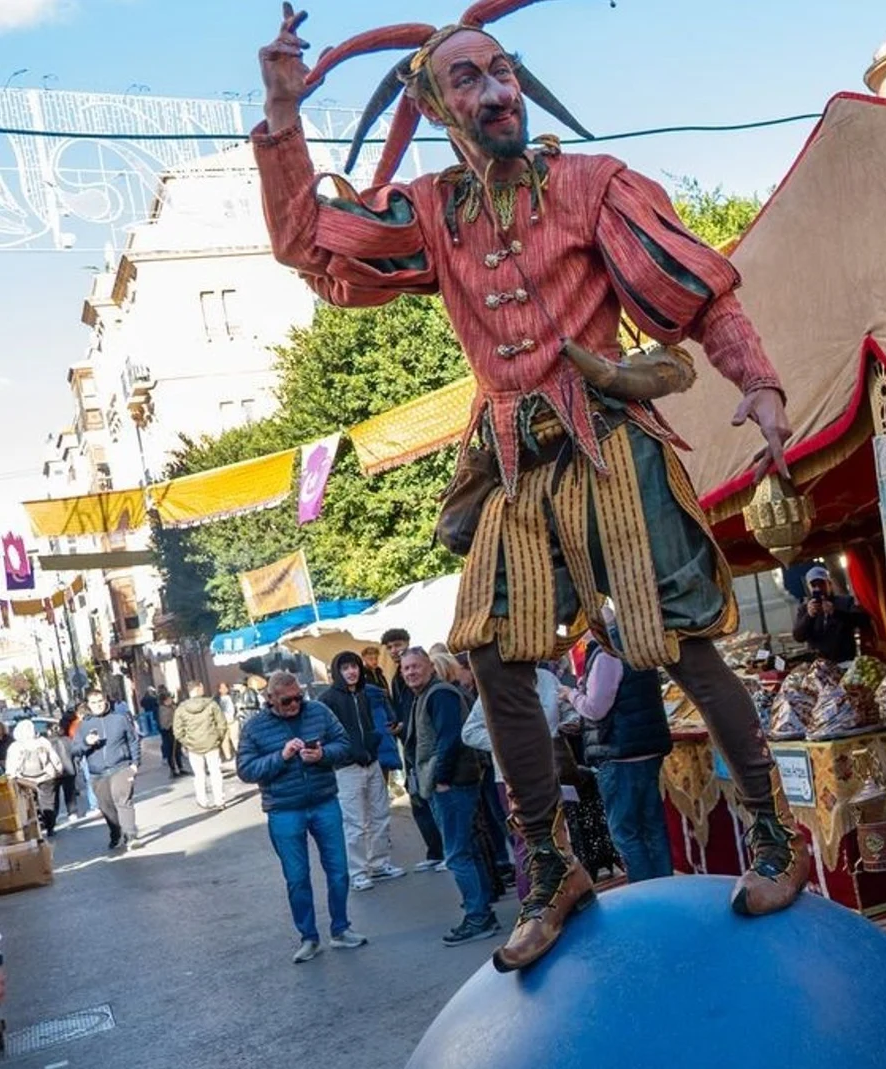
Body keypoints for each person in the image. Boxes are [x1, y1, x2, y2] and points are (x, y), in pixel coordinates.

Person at [255, 2, 808, 971]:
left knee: (675, 638)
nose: (495, 90)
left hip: (612, 443)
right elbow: (309, 241)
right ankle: (552, 868)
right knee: (492, 651)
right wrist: (282, 117)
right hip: (510, 460)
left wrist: (756, 381)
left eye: (502, 70)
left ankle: (773, 834)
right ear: (437, 109)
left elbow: (695, 291)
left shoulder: (594, 184)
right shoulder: (431, 212)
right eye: (467, 79)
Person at [237, 672, 370, 963]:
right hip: (284, 808)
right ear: (270, 699)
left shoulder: (318, 711)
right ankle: (309, 937)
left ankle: (340, 929)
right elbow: (245, 770)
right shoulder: (254, 727)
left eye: (299, 697)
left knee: (339, 870)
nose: (295, 704)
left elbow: (343, 744)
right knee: (297, 878)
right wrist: (281, 757)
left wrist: (322, 755)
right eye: (287, 701)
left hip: (324, 801)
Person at [404, 647, 501, 946]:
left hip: (452, 783)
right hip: (450, 782)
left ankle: (478, 916)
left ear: (430, 667)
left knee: (458, 853)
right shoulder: (427, 695)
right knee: (466, 848)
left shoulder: (440, 694)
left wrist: (442, 778)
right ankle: (481, 908)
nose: (410, 672)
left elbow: (450, 739)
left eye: (415, 666)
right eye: (406, 668)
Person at [574, 623, 673, 882]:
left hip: (619, 753)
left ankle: (645, 893)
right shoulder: (636, 645)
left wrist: (571, 696)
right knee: (653, 828)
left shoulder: (607, 654)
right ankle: (666, 888)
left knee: (626, 833)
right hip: (646, 750)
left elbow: (595, 708)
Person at [319, 651, 406, 891]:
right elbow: (324, 735)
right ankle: (357, 872)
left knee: (380, 815)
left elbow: (371, 723)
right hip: (347, 768)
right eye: (345, 668)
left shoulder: (365, 694)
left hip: (372, 762)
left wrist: (374, 741)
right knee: (354, 823)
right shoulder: (327, 700)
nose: (351, 672)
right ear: (337, 672)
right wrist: (342, 755)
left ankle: (379, 864)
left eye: (354, 666)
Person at [381, 628, 446, 873]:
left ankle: (446, 851)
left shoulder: (424, 678)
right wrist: (399, 726)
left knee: (433, 797)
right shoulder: (396, 678)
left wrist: (406, 726)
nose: (394, 651)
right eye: (390, 647)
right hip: (408, 745)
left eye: (398, 645)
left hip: (425, 745)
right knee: (417, 796)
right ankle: (434, 851)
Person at [76, 689, 141, 850]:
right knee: (107, 807)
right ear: (88, 705)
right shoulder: (84, 725)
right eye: (94, 703)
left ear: (105, 701)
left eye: (100, 701)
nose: (98, 705)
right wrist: (86, 743)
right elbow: (75, 750)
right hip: (97, 773)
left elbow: (133, 740)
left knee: (123, 800)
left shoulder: (119, 719)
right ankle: (116, 832)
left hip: (121, 767)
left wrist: (135, 764)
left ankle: (131, 835)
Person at [791, 566, 875, 662]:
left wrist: (835, 612)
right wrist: (809, 616)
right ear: (809, 588)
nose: (818, 588)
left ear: (829, 584)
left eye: (821, 584)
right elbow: (798, 637)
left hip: (844, 660)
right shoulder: (805, 608)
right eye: (814, 586)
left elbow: (863, 621)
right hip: (818, 662)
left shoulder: (846, 601)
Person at [173, 682, 233, 810]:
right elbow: (221, 723)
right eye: (201, 687)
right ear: (198, 689)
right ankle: (219, 800)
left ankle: (202, 800)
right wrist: (217, 738)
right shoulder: (211, 704)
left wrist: (186, 742)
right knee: (215, 772)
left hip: (193, 746)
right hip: (211, 743)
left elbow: (177, 731)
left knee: (199, 775)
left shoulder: (181, 709)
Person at [6, 721, 67, 837]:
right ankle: (50, 826)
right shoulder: (42, 742)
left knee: (29, 805)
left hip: (24, 780)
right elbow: (54, 758)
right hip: (46, 777)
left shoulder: (15, 746)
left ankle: (36, 826)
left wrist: (11, 776)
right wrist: (59, 770)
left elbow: (11, 766)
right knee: (48, 802)